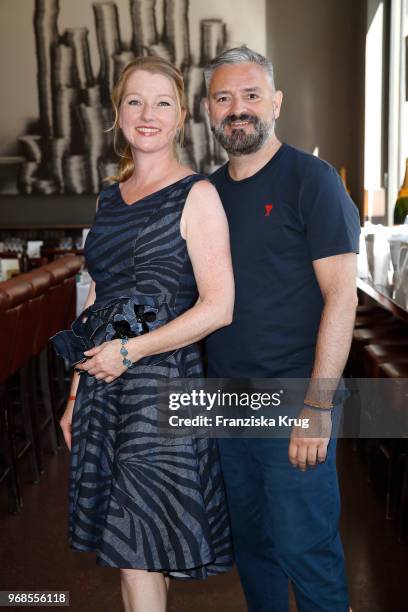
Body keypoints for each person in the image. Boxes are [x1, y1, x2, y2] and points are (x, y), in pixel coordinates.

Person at [51, 55, 234, 612]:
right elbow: (99, 299)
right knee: (144, 547)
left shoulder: (197, 196)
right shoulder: (108, 198)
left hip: (162, 388)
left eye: (162, 103)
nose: (147, 114)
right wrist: (76, 393)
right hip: (105, 388)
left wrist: (130, 351)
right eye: (135, 101)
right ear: (118, 115)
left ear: (181, 117)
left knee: (136, 550)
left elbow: (219, 307)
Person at [203, 46, 360, 612]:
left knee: (307, 551)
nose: (237, 109)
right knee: (254, 547)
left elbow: (342, 298)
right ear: (208, 110)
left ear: (276, 103)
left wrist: (318, 406)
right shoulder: (208, 194)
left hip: (295, 399)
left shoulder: (312, 181)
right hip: (223, 403)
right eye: (224, 98)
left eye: (250, 95)